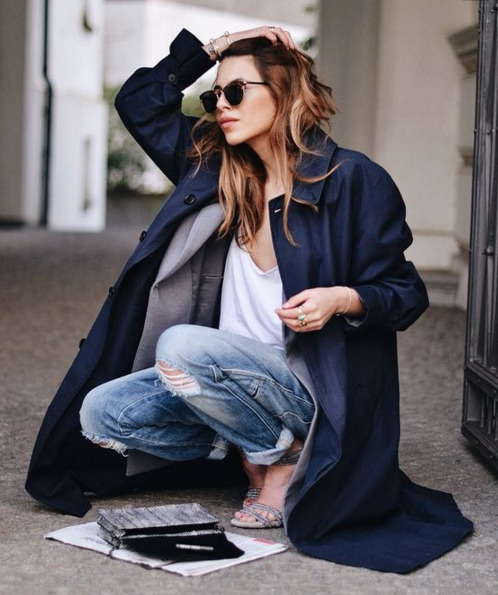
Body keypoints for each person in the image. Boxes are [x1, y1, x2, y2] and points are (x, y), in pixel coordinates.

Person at [26, 26, 472, 573]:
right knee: (101, 411)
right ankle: (261, 446)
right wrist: (219, 46)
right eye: (214, 95)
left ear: (284, 94)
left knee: (182, 346)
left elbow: (405, 293)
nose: (221, 105)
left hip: (307, 385)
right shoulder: (217, 169)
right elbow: (139, 102)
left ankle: (283, 453)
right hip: (224, 381)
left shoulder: (352, 179)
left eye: (236, 91)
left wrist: (341, 299)